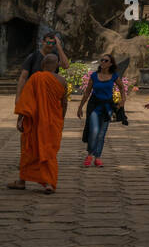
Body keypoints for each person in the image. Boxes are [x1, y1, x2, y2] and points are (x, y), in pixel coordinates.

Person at [7, 53, 67, 194]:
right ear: (57, 65)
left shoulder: (35, 78)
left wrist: (19, 119)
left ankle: (22, 181)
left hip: (34, 122)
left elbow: (26, 102)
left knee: (29, 150)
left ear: (42, 65)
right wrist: (61, 120)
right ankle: (49, 184)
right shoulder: (62, 80)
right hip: (53, 123)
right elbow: (64, 103)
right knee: (49, 152)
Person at [77, 53, 126, 168]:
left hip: (107, 106)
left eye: (106, 61)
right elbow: (87, 92)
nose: (103, 62)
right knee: (94, 130)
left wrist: (123, 100)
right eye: (102, 60)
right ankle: (90, 155)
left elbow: (122, 87)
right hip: (94, 105)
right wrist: (80, 107)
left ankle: (98, 157)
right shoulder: (94, 76)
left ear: (111, 64)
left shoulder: (114, 76)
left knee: (101, 133)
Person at [15, 29, 70, 105]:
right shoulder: (33, 56)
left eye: (53, 43)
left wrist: (59, 47)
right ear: (43, 42)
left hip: (50, 95)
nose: (50, 45)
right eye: (48, 42)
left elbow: (66, 65)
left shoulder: (55, 56)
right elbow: (23, 78)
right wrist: (18, 97)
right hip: (34, 94)